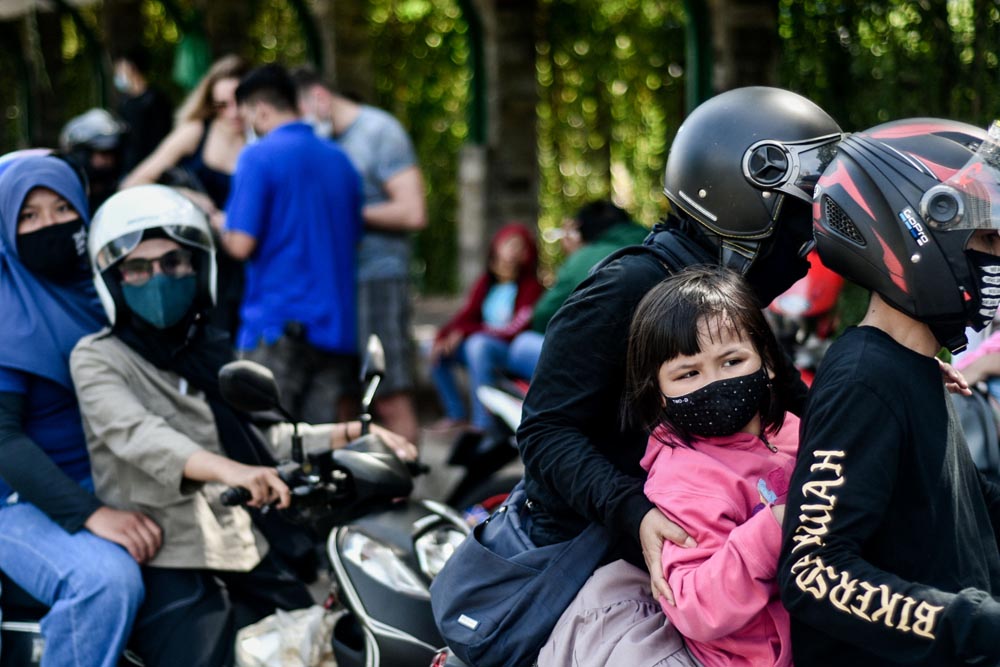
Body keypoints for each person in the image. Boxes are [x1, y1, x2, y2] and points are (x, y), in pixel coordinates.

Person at [516, 86, 843, 607]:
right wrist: (635, 513)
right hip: (602, 565)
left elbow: (792, 400)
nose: (807, 243)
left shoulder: (721, 295)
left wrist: (873, 383)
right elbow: (545, 431)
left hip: (716, 556)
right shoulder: (627, 287)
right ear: (743, 200)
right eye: (798, 215)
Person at [69, 185, 414, 667]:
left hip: (244, 544)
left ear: (199, 269)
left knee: (323, 644)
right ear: (113, 280)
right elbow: (139, 434)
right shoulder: (98, 357)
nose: (157, 279)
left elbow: (259, 441)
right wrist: (232, 471)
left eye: (172, 263)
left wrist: (348, 435)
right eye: (138, 268)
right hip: (170, 554)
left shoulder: (207, 350)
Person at [777, 119, 1000, 665]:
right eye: (988, 239)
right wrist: (974, 626)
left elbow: (952, 504)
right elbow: (813, 572)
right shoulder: (865, 380)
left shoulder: (915, 366)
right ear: (919, 236)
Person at [540, 266, 800, 666]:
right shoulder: (683, 481)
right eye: (689, 373)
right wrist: (771, 530)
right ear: (659, 392)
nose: (714, 383)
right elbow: (695, 606)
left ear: (767, 362)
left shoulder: (794, 431)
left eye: (732, 361)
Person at [0, 155, 153, 667]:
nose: (50, 225)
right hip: (14, 500)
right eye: (29, 216)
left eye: (63, 209)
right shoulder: (7, 313)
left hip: (107, 478)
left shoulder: (108, 290)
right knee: (105, 582)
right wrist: (90, 514)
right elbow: (3, 440)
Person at [220, 64, 363, 426]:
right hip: (335, 329)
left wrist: (215, 221)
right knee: (319, 446)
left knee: (265, 442)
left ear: (260, 110)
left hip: (277, 325)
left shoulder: (257, 156)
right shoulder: (340, 160)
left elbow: (240, 244)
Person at [293, 66, 426, 444]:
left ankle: (406, 480)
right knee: (342, 398)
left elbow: (413, 212)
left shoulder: (379, 131)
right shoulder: (323, 142)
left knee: (388, 392)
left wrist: (343, 212)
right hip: (334, 286)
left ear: (319, 98)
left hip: (378, 277)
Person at [121, 54, 251, 338]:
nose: (233, 113)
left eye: (240, 101)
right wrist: (185, 197)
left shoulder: (264, 138)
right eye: (221, 105)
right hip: (204, 258)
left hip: (249, 259)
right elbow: (133, 183)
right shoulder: (196, 132)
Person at [506, 200, 649, 379]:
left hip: (597, 369)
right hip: (645, 364)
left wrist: (575, 257)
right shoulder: (654, 245)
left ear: (581, 232)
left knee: (522, 344)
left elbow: (543, 316)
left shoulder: (581, 258)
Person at [430, 223, 542, 431]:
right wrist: (443, 336)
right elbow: (466, 316)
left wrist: (466, 332)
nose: (512, 252)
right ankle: (455, 414)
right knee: (433, 349)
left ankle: (483, 424)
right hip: (481, 341)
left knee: (478, 345)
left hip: (507, 349)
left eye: (519, 246)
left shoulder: (531, 287)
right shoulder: (486, 283)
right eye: (508, 244)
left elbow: (513, 330)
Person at [113, 46, 173, 173]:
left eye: (120, 68)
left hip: (152, 168)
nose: (118, 73)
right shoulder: (125, 102)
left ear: (131, 67)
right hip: (128, 169)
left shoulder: (156, 100)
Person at [60, 108, 128, 213]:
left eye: (112, 152)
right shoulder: (66, 196)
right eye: (102, 152)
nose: (109, 160)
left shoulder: (121, 192)